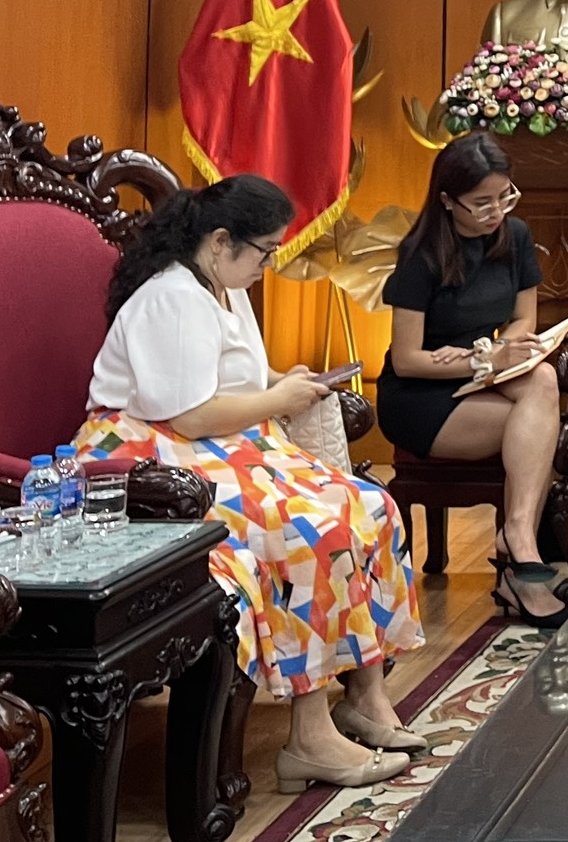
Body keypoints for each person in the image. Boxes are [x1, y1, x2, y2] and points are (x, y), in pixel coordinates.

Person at [79, 174, 425, 794]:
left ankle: (366, 697)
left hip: (222, 442)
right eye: (264, 251)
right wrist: (278, 399)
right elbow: (189, 414)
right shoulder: (172, 298)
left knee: (370, 504)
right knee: (310, 529)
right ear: (220, 242)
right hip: (152, 452)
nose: (269, 265)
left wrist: (284, 380)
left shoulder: (224, 284)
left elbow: (237, 374)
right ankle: (309, 737)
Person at [376, 132, 566, 626]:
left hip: (480, 371)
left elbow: (524, 319)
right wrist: (485, 361)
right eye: (481, 203)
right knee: (541, 427)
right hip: (421, 396)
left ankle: (516, 537)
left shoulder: (515, 236)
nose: (495, 211)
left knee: (544, 380)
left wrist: (499, 354)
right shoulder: (420, 254)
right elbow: (409, 359)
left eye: (505, 196)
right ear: (447, 200)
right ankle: (520, 555)